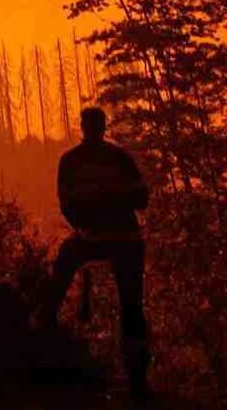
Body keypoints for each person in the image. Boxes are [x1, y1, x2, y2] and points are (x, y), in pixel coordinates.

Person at [36, 106, 152, 403]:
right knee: (132, 308)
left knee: (62, 271)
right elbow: (141, 199)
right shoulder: (119, 158)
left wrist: (91, 216)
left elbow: (68, 206)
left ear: (84, 127)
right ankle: (137, 380)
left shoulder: (72, 161)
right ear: (102, 126)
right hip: (123, 239)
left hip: (102, 238)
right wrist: (112, 200)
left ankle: (44, 331)